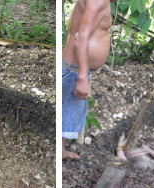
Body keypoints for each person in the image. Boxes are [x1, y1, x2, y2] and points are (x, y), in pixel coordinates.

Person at [62, 0, 116, 159]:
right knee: (65, 114)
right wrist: (82, 78)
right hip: (74, 69)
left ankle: (60, 151)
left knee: (66, 114)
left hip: (72, 68)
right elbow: (82, 37)